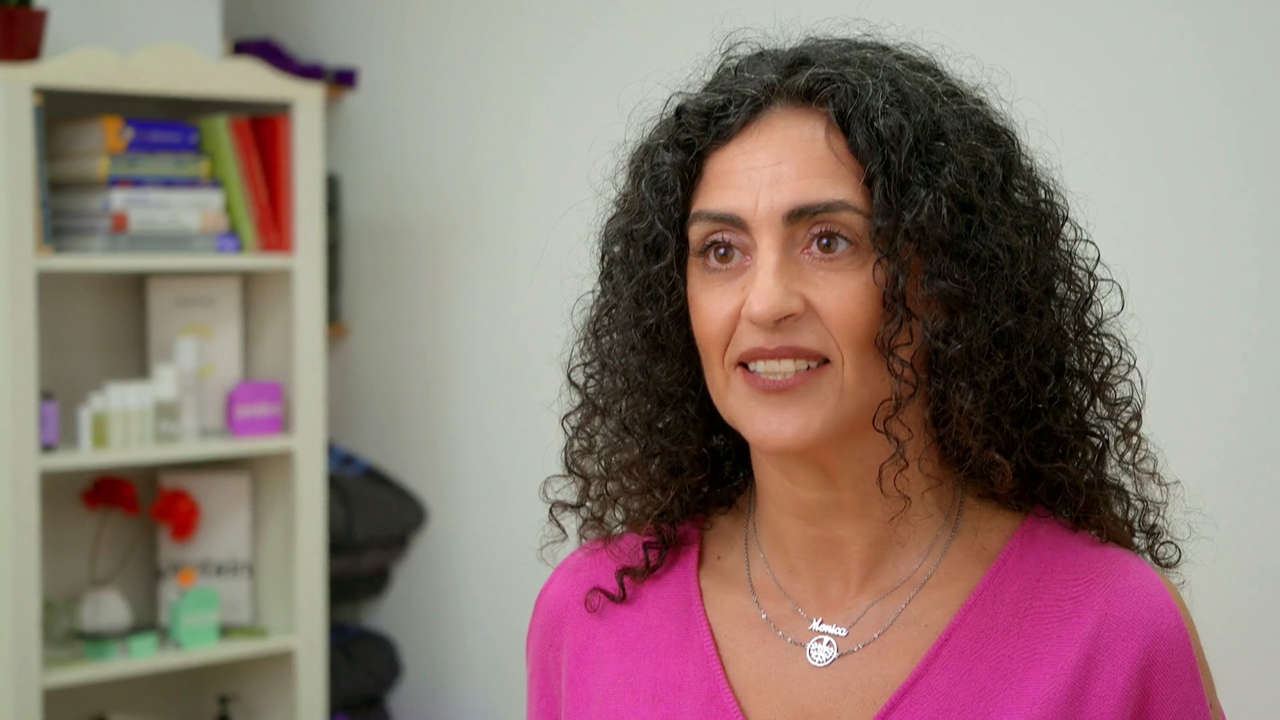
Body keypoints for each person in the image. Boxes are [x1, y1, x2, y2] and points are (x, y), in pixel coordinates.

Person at [527, 35, 1223, 719]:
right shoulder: (590, 614)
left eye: (828, 241)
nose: (765, 303)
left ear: (944, 281)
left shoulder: (1117, 632)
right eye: (721, 251)